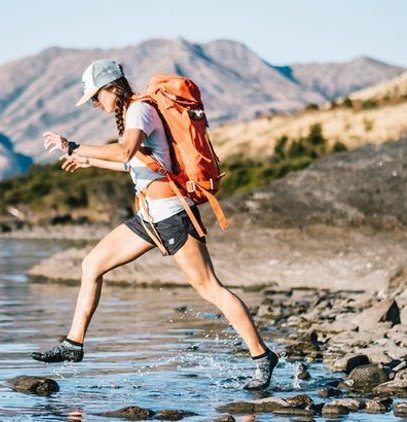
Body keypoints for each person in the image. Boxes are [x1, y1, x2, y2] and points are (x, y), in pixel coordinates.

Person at [31, 59, 279, 390]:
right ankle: (73, 344)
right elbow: (140, 164)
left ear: (111, 89)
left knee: (209, 288)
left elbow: (125, 152)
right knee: (92, 264)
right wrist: (90, 162)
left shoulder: (139, 111)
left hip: (174, 215)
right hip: (149, 215)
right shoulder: (132, 114)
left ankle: (263, 357)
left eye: (95, 96)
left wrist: (73, 145)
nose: (94, 103)